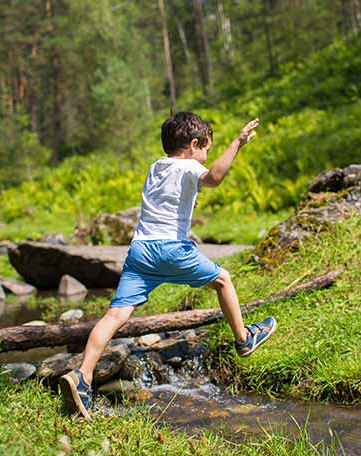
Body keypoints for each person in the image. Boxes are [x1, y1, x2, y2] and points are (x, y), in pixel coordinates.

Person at [59, 111, 276, 420]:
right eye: (206, 150)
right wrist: (237, 143)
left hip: (140, 252)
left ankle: (83, 376)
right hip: (171, 249)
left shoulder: (156, 167)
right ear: (194, 144)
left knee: (115, 315)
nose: (206, 157)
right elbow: (213, 177)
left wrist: (191, 197)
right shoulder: (190, 165)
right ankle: (243, 339)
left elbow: (169, 197)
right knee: (223, 280)